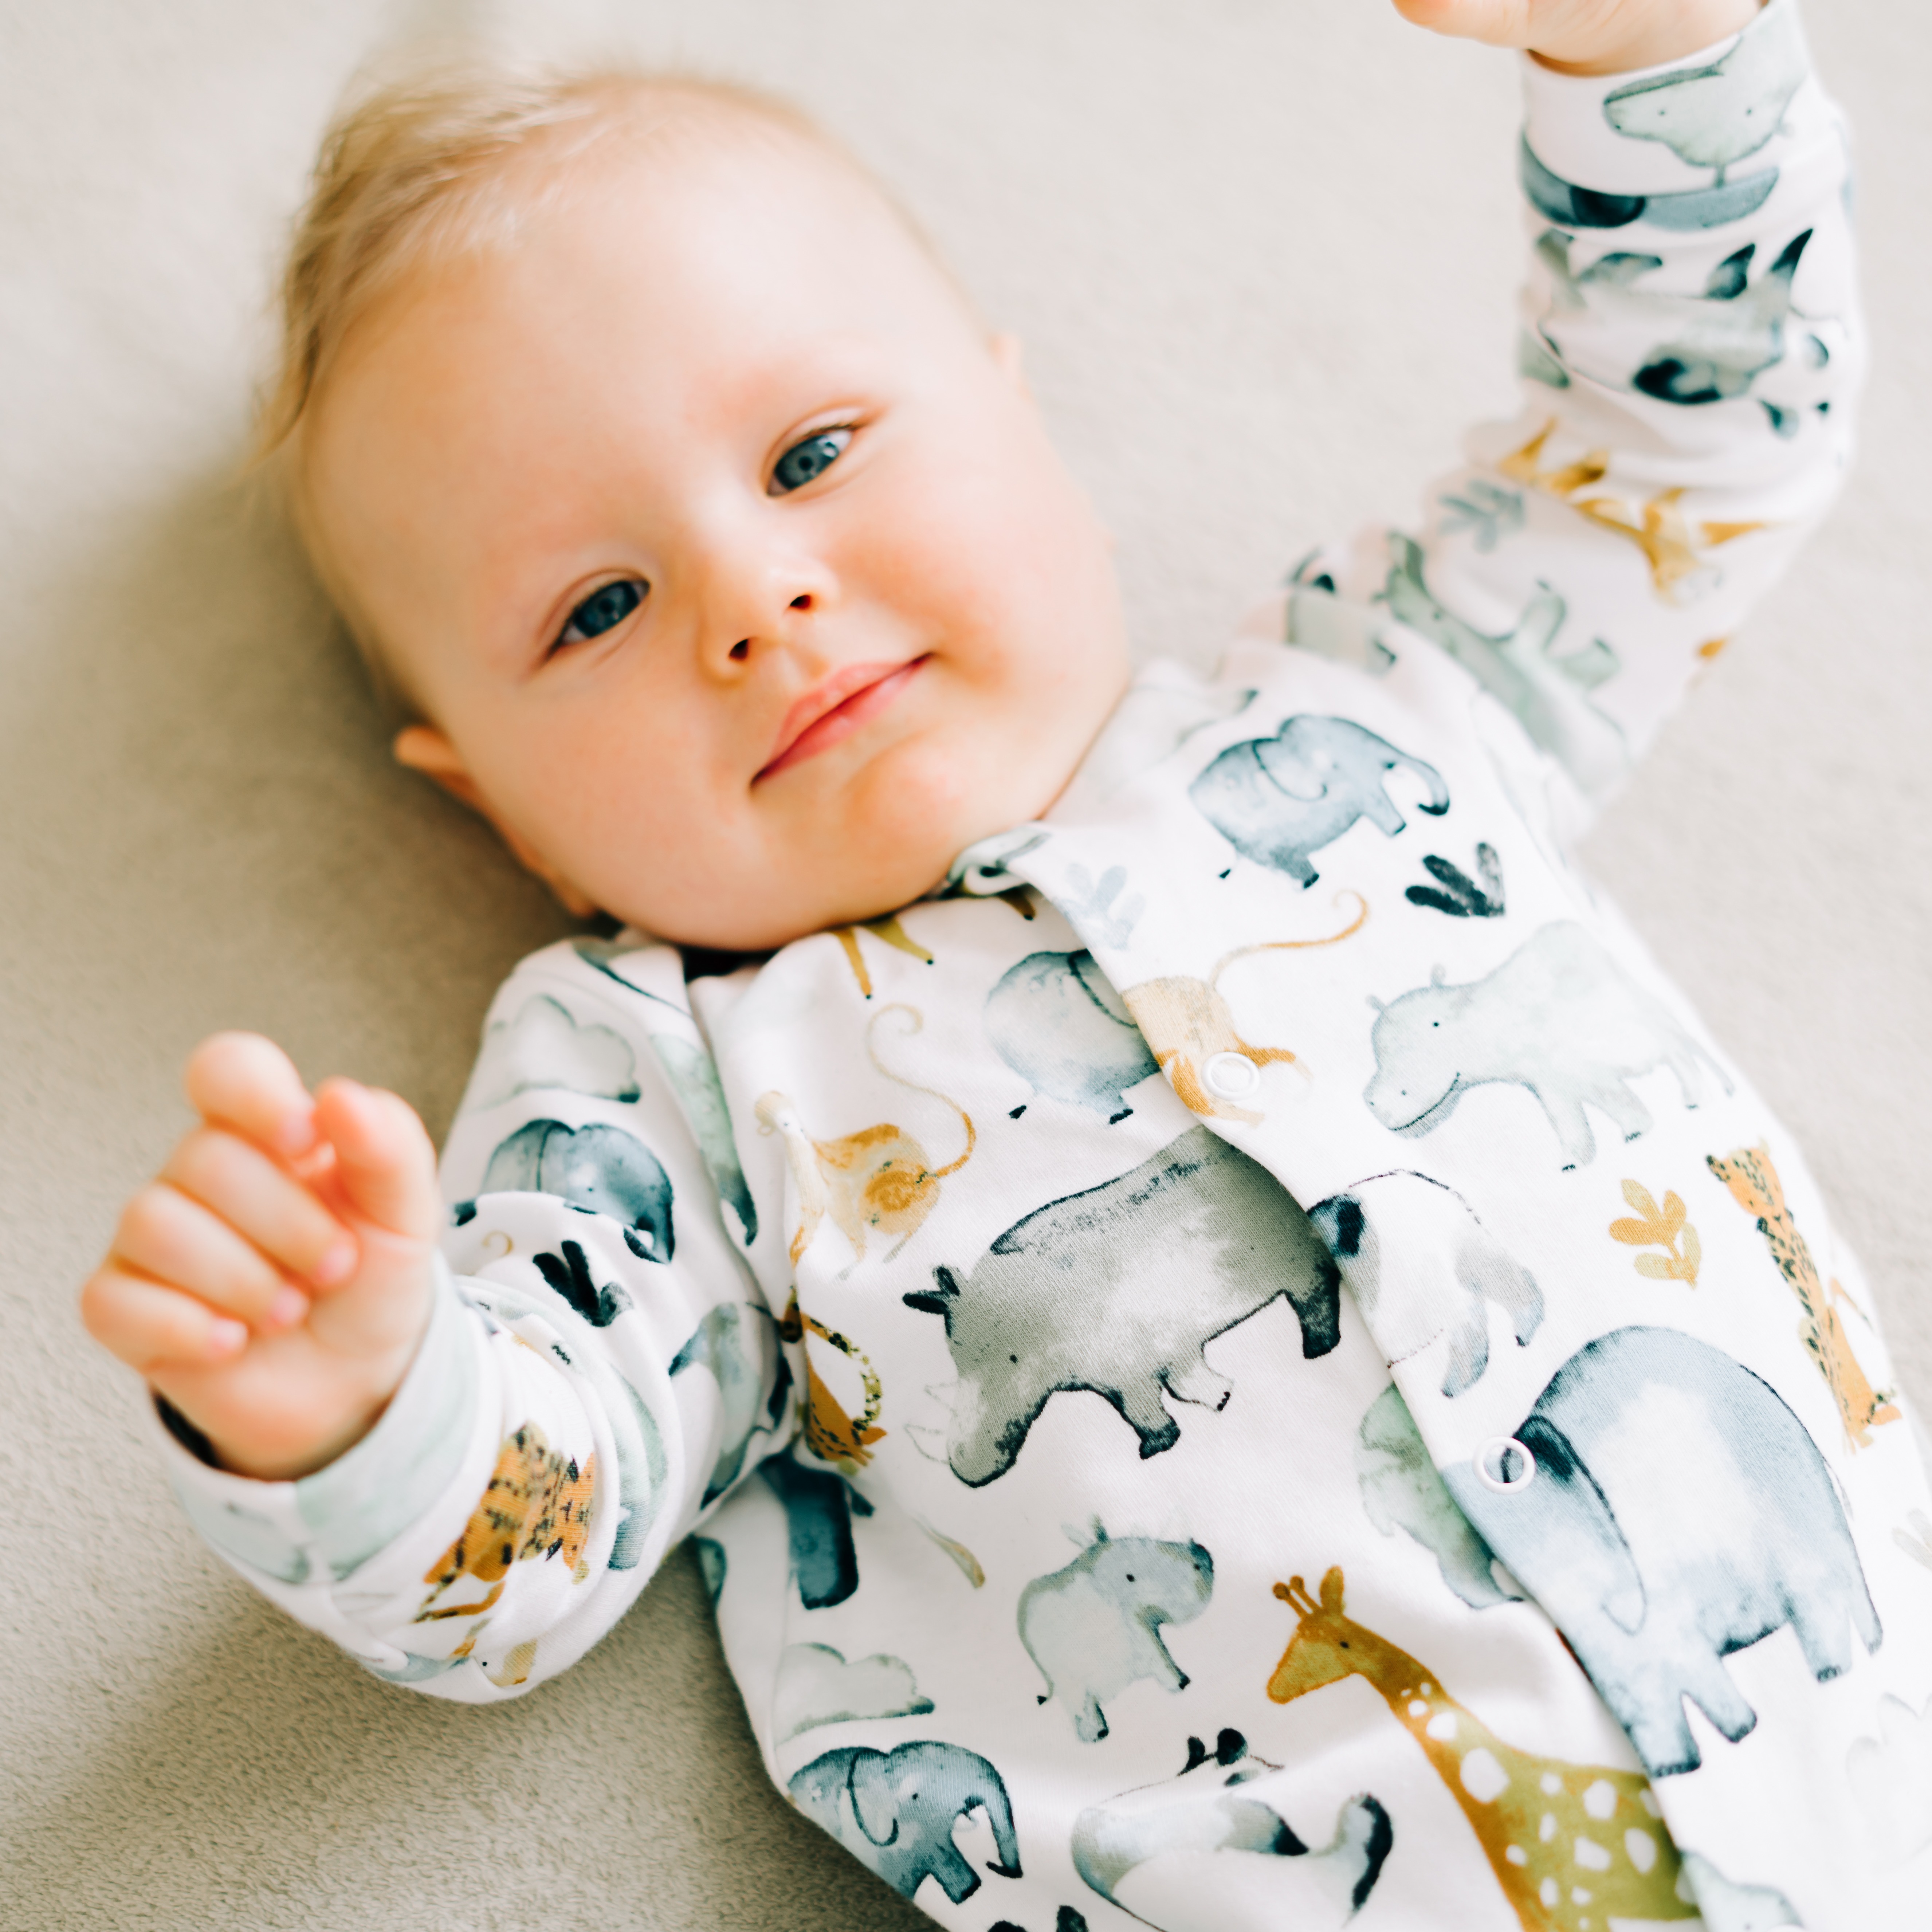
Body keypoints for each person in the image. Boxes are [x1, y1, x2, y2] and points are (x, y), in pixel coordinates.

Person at [79, 0, 1931, 1923]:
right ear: (500, 811)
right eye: (596, 607)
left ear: (1012, 409)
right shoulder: (667, 1085)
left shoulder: (1378, 705)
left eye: (811, 449)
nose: (752, 596)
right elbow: (532, 1533)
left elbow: (1691, 419)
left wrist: (1648, 54)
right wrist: (370, 1401)